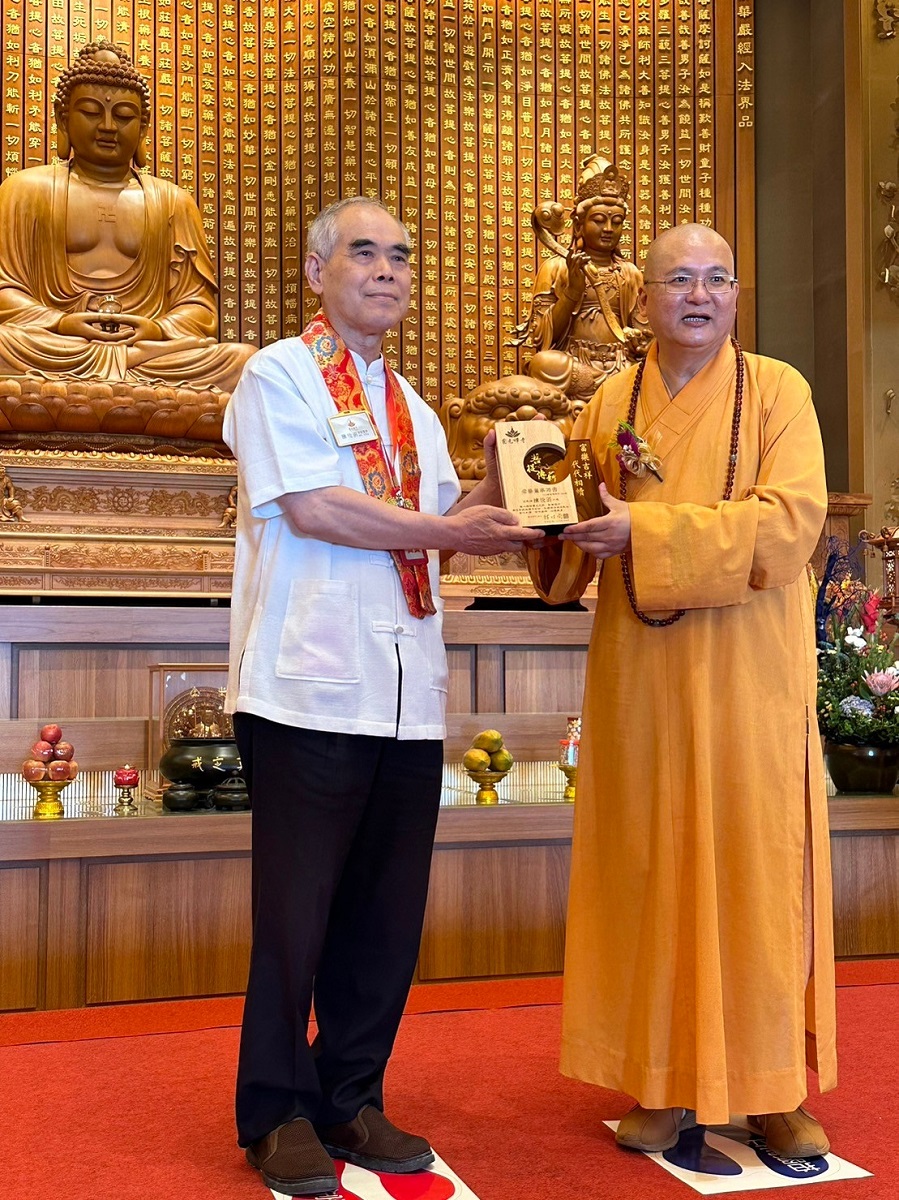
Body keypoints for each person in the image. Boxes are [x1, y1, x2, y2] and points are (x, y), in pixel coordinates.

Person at [223, 195, 543, 1196]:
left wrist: (513, 486)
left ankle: (349, 1097)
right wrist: (450, 529)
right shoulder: (276, 374)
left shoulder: (412, 405)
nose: (387, 270)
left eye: (400, 256)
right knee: (296, 917)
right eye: (363, 253)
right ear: (315, 270)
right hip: (306, 690)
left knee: (385, 918)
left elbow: (438, 523)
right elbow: (316, 509)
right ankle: (275, 1112)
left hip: (405, 693)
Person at [538, 223, 837, 1159]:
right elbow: (571, 532)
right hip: (642, 679)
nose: (697, 295)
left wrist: (645, 531)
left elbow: (789, 525)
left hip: (749, 675)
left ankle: (770, 1086)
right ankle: (660, 1079)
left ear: (736, 295)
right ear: (645, 299)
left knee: (755, 867)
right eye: (677, 280)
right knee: (648, 866)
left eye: (715, 279)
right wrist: (538, 516)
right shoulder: (608, 401)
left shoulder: (778, 390)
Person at [0, 40, 253, 389]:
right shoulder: (25, 190)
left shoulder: (173, 202)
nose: (108, 126)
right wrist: (60, 322)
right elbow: (4, 291)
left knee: (244, 361)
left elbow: (199, 308)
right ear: (63, 118)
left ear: (144, 127)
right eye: (91, 112)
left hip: (144, 353)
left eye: (123, 116)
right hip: (60, 347)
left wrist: (157, 328)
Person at [510, 155, 651, 406]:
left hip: (620, 365)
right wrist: (572, 291)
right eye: (599, 220)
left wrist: (639, 340)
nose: (608, 229)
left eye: (617, 222)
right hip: (575, 365)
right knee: (543, 364)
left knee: (652, 371)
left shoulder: (630, 273)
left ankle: (609, 395)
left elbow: (645, 335)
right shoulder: (556, 268)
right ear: (579, 224)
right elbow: (541, 336)